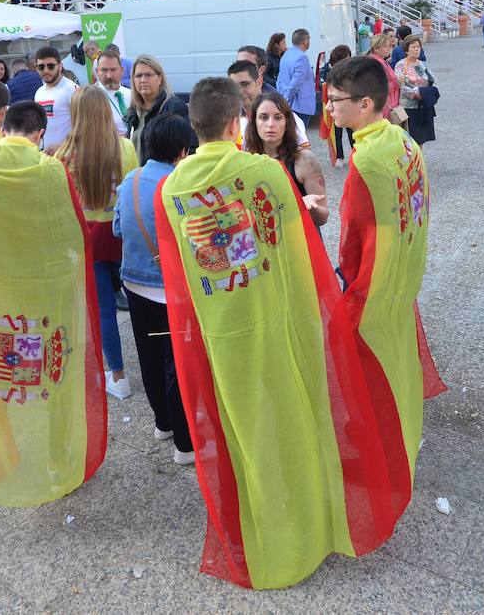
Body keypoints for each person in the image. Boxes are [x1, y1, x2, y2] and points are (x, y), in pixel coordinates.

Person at [155, 76, 400, 589]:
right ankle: (311, 518)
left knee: (245, 429)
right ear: (234, 121)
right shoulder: (264, 173)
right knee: (296, 414)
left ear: (193, 125)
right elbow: (299, 252)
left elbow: (178, 274)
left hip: (222, 332)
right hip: (275, 319)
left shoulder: (173, 187)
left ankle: (264, 523)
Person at [0, 99, 108, 507]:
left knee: (4, 372)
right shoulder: (50, 170)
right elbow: (73, 231)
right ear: (39, 135)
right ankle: (58, 458)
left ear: (3, 129)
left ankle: (8, 457)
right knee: (57, 367)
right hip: (48, 288)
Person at [325, 56, 446, 514]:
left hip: (370, 287)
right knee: (396, 365)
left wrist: (350, 287)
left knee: (365, 375)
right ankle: (399, 437)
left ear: (366, 103)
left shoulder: (367, 158)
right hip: (402, 279)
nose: (330, 109)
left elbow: (352, 238)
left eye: (337, 101)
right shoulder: (403, 140)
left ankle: (375, 458)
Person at [114, 113, 198, 463]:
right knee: (175, 364)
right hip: (168, 291)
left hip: (133, 283)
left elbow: (118, 228)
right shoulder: (179, 185)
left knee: (148, 357)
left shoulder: (130, 180)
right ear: (182, 150)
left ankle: (162, 423)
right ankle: (184, 444)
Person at [55, 88, 139, 399]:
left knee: (104, 310)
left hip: (85, 237)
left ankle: (118, 376)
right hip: (121, 234)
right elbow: (131, 191)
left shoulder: (62, 154)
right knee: (140, 302)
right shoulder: (124, 147)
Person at [243, 91, 328, 226]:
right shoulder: (246, 161)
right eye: (263, 117)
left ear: (287, 122)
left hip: (300, 242)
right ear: (254, 122)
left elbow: (323, 217)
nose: (270, 124)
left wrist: (308, 207)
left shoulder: (304, 160)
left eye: (278, 118)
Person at [227, 58, 307, 146]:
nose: (239, 91)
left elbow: (303, 153)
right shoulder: (233, 121)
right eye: (234, 86)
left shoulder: (284, 116)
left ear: (259, 83)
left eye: (245, 84)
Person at [125, 54, 188, 163]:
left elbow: (188, 149)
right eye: (138, 75)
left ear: (160, 78)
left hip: (165, 177)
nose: (143, 80)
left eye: (148, 75)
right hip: (137, 176)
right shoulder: (133, 112)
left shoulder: (174, 108)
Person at [31, 45, 78, 148]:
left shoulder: (71, 89)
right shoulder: (39, 92)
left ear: (60, 66)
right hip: (45, 155)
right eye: (41, 67)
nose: (46, 70)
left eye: (51, 66)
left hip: (67, 156)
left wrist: (62, 147)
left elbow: (83, 125)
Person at [396, 34, 437, 145]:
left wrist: (428, 93)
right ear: (406, 49)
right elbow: (401, 86)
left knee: (421, 138)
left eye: (418, 46)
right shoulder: (400, 65)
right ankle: (410, 162)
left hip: (423, 106)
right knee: (409, 140)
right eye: (413, 47)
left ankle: (418, 161)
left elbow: (434, 81)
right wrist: (416, 93)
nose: (416, 49)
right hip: (409, 107)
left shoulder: (423, 65)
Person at [277, 28, 316, 129]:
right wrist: (287, 99)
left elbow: (280, 80)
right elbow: (296, 83)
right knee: (300, 138)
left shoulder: (286, 55)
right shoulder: (302, 57)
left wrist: (283, 97)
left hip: (288, 102)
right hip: (300, 105)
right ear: (305, 42)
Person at [92, 50, 132, 135]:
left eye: (113, 70)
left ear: (121, 70)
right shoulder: (91, 99)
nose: (109, 75)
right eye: (104, 70)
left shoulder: (131, 95)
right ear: (97, 72)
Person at [367, 33, 402, 118]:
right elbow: (378, 88)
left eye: (389, 46)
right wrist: (397, 83)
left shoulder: (380, 61)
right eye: (385, 46)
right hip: (385, 109)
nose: (389, 49)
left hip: (387, 107)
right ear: (376, 48)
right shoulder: (376, 63)